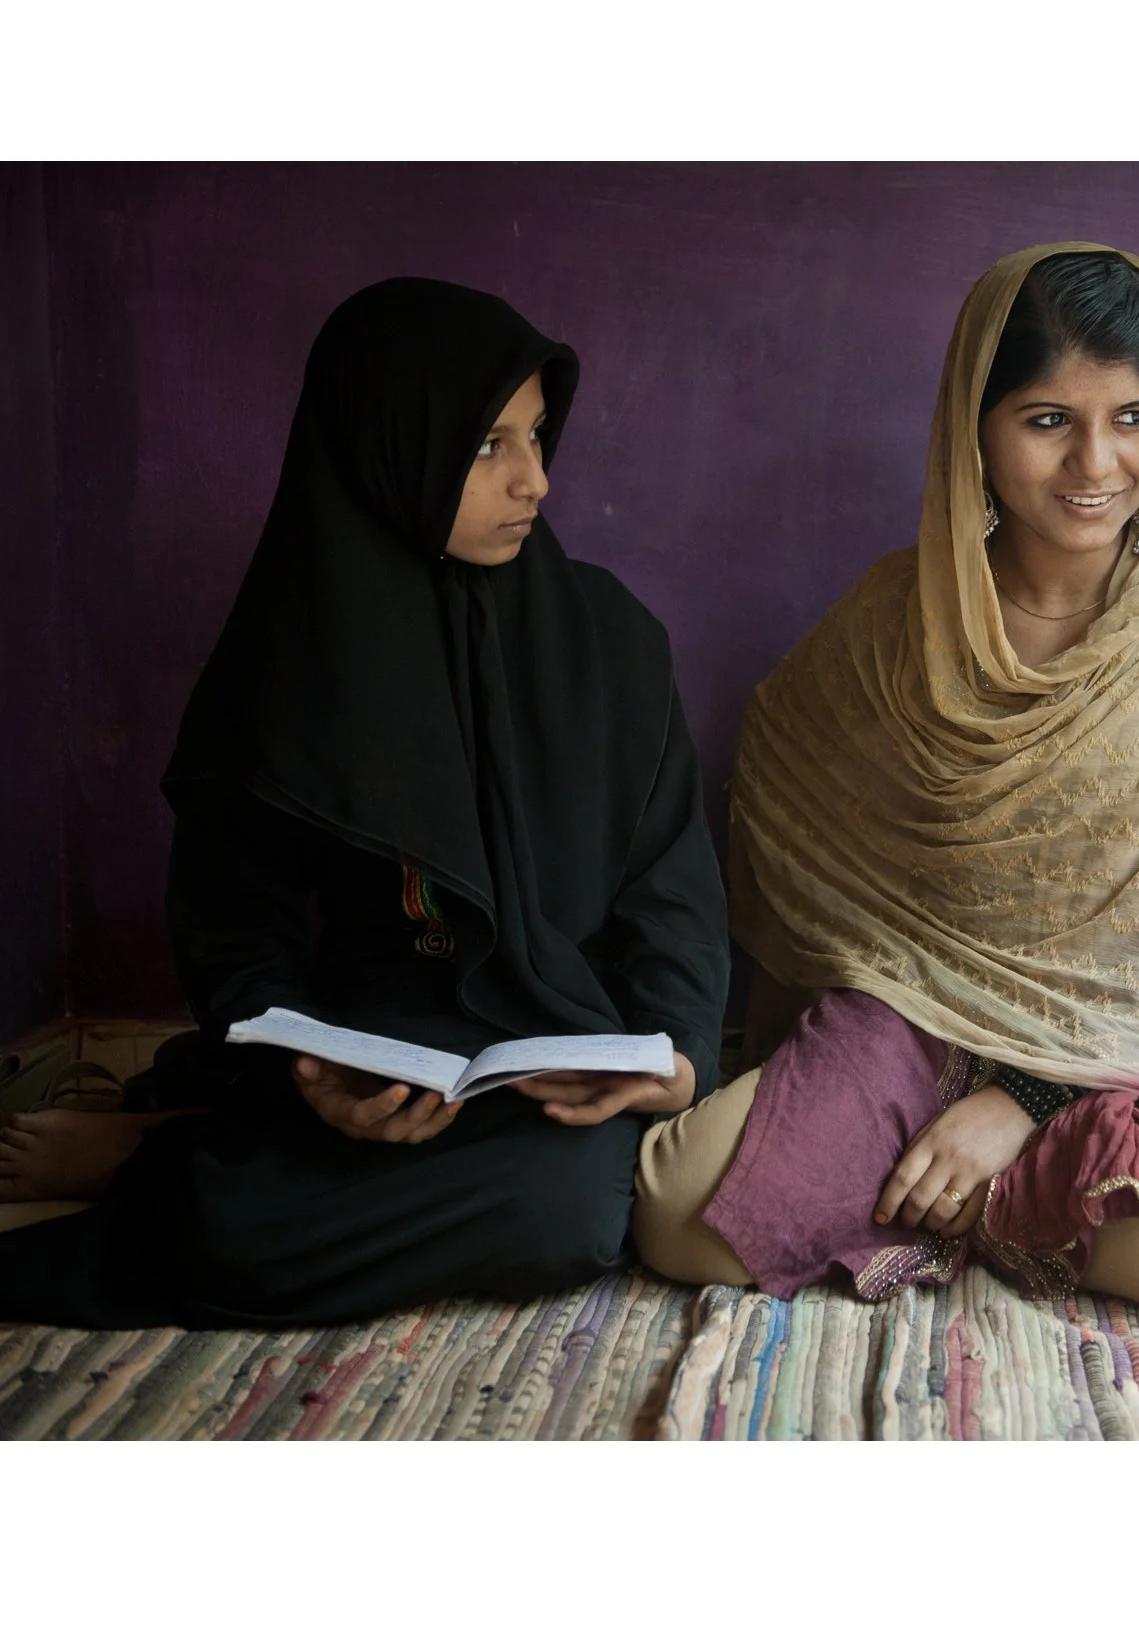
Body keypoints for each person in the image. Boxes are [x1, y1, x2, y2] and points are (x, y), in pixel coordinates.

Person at [0, 278, 729, 1328]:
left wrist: (674, 1053)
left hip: (556, 1053)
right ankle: (195, 1159)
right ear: (394, 446)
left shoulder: (609, 642)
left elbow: (674, 891)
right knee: (231, 1221)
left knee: (567, 1217)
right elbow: (231, 920)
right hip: (365, 1054)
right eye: (488, 446)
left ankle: (174, 1156)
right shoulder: (294, 648)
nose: (535, 481)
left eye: (536, 437)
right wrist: (308, 1070)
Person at [631, 243, 1139, 1304]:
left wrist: (1026, 1101)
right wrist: (924, 1036)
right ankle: (984, 1206)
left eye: (1134, 417)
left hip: (1130, 1066)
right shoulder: (896, 621)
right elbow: (783, 777)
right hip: (909, 1022)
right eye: (1049, 420)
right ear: (977, 429)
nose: (1096, 465)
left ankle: (972, 1194)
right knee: (679, 1219)